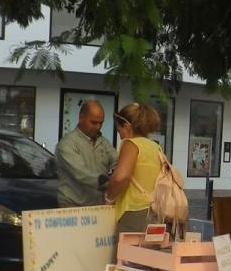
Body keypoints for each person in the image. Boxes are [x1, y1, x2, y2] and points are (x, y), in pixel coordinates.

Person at [106, 102, 162, 235]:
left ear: (126, 126)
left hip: (134, 213)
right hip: (155, 212)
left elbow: (121, 177)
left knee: (128, 255)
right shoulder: (156, 147)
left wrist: (109, 197)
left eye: (119, 130)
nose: (120, 135)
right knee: (150, 255)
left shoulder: (131, 144)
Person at [56, 99, 117, 208]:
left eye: (101, 123)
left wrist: (119, 173)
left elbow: (116, 161)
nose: (98, 127)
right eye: (93, 122)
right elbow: (81, 173)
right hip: (73, 206)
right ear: (81, 118)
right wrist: (108, 183)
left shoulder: (103, 142)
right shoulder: (67, 144)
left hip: (98, 205)